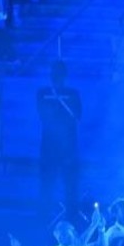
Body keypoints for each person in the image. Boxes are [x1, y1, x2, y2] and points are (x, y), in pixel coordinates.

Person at [37, 60, 82, 213]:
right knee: (48, 185)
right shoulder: (43, 93)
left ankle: (72, 215)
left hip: (67, 148)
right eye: (54, 75)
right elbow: (44, 116)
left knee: (70, 186)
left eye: (58, 75)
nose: (56, 78)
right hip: (50, 147)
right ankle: (45, 215)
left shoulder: (72, 94)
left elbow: (77, 116)